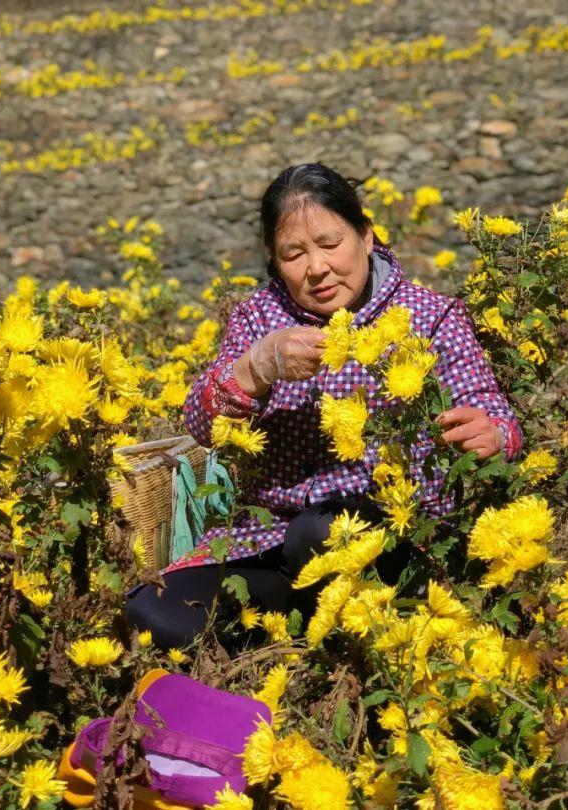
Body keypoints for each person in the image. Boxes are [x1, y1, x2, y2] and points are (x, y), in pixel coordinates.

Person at [126, 163, 523, 649]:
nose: (316, 268)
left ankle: (346, 641)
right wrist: (257, 367)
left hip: (395, 542)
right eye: (294, 254)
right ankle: (297, 642)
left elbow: (495, 416)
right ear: (275, 260)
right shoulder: (258, 318)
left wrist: (494, 434)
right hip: (270, 543)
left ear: (367, 236)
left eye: (330, 244)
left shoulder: (429, 316)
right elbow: (201, 424)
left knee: (321, 532)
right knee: (156, 614)